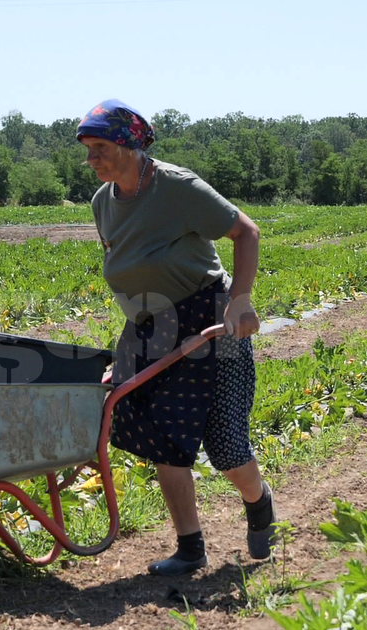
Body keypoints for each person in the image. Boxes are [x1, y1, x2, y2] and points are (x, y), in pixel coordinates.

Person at [76, 99, 275, 576]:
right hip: (151, 324)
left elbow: (246, 232)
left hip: (210, 314)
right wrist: (128, 351)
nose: (91, 160)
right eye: (87, 150)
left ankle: (259, 498)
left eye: (100, 148)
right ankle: (190, 548)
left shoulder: (177, 186)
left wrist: (240, 301)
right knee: (162, 436)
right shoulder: (103, 203)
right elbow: (130, 273)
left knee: (226, 444)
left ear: (129, 145)